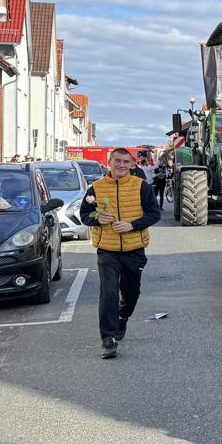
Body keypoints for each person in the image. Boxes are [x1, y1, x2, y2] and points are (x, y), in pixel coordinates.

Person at [80, 147, 161, 358]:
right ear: (110, 162)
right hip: (107, 249)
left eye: (126, 162)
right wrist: (98, 219)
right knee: (108, 293)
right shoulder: (95, 188)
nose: (122, 165)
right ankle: (108, 339)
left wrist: (132, 225)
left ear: (132, 164)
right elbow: (84, 215)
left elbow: (154, 214)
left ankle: (122, 318)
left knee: (131, 292)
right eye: (118, 161)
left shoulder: (141, 186)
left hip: (134, 249)